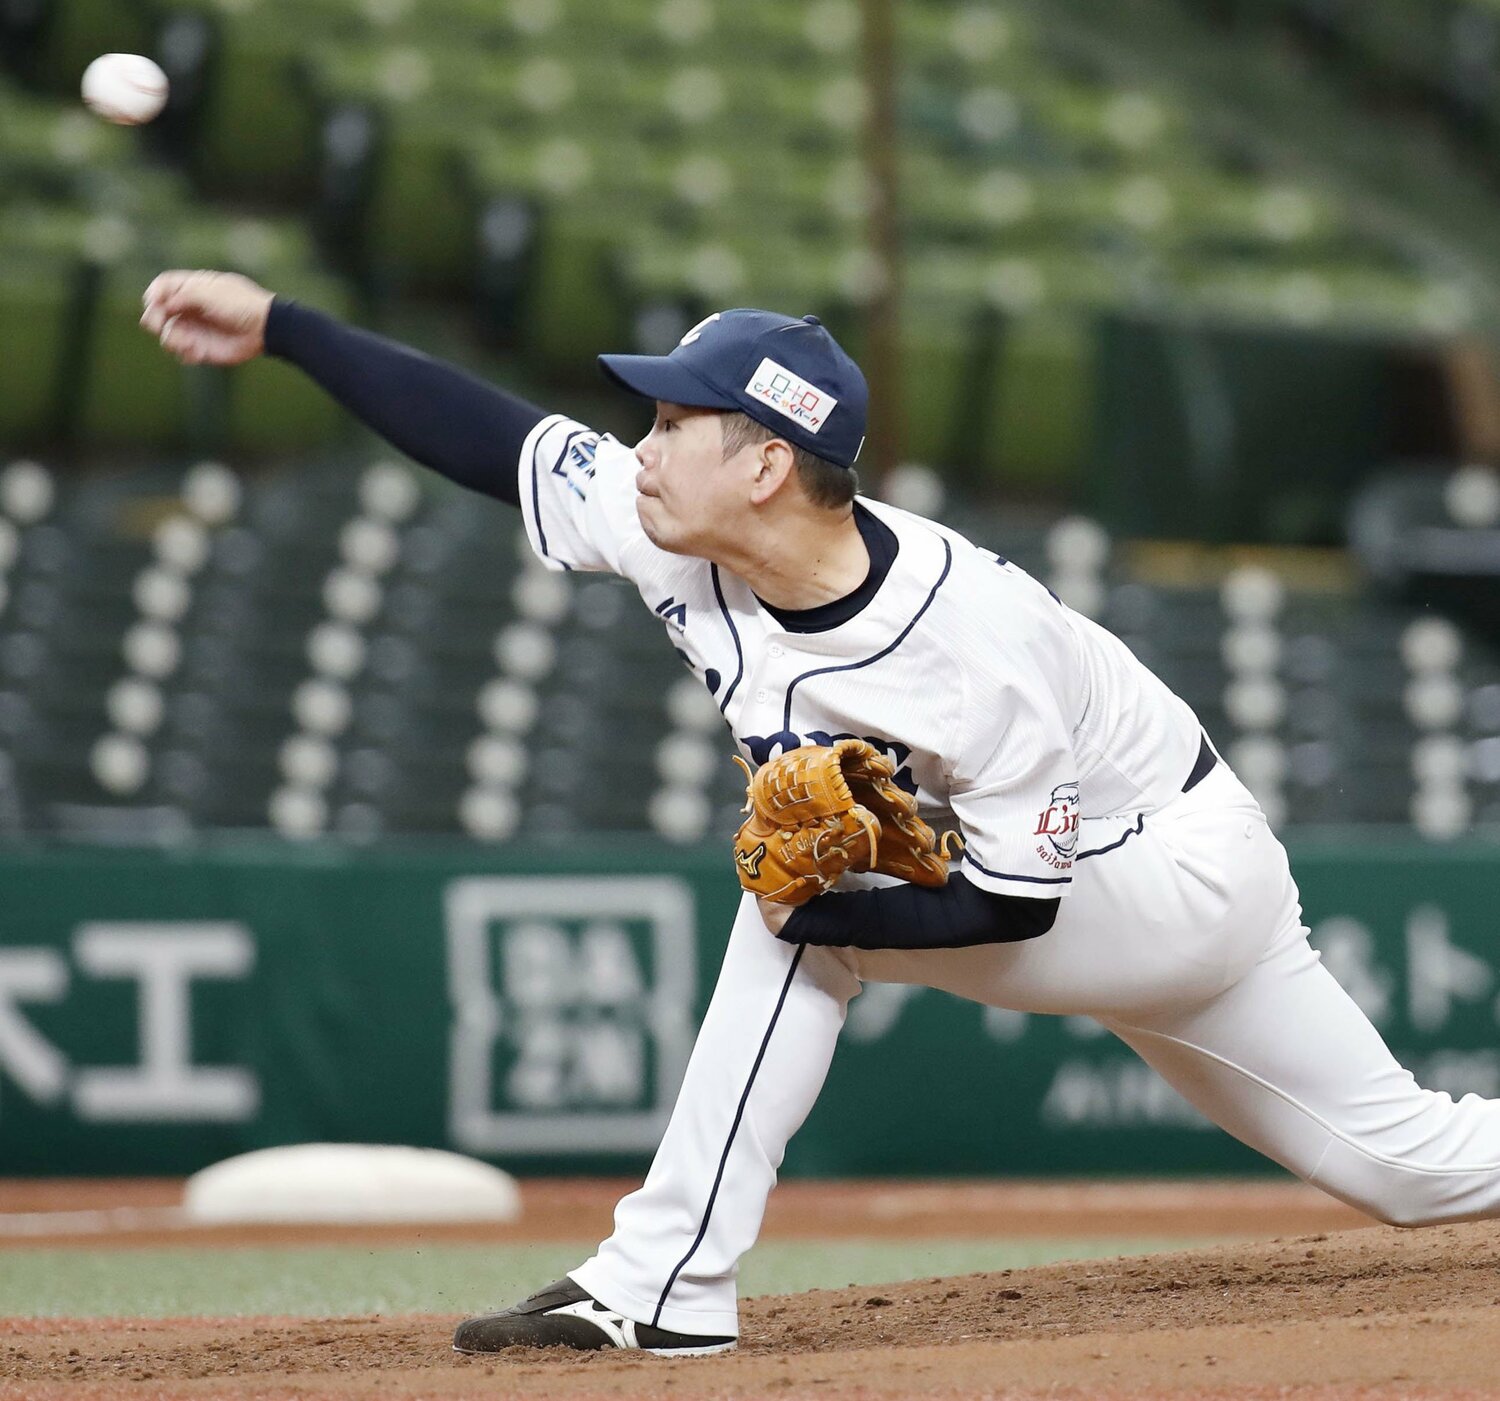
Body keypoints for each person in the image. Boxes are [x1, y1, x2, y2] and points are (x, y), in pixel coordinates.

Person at [143, 272, 1500, 1358]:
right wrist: (285, 328)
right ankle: (668, 1270)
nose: (642, 446)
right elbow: (493, 440)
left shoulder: (966, 641)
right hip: (1130, 871)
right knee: (1414, 1165)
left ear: (768, 464)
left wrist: (851, 899)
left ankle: (663, 1279)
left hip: (1172, 870)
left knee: (804, 915)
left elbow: (1017, 903)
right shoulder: (673, 520)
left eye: (677, 422)